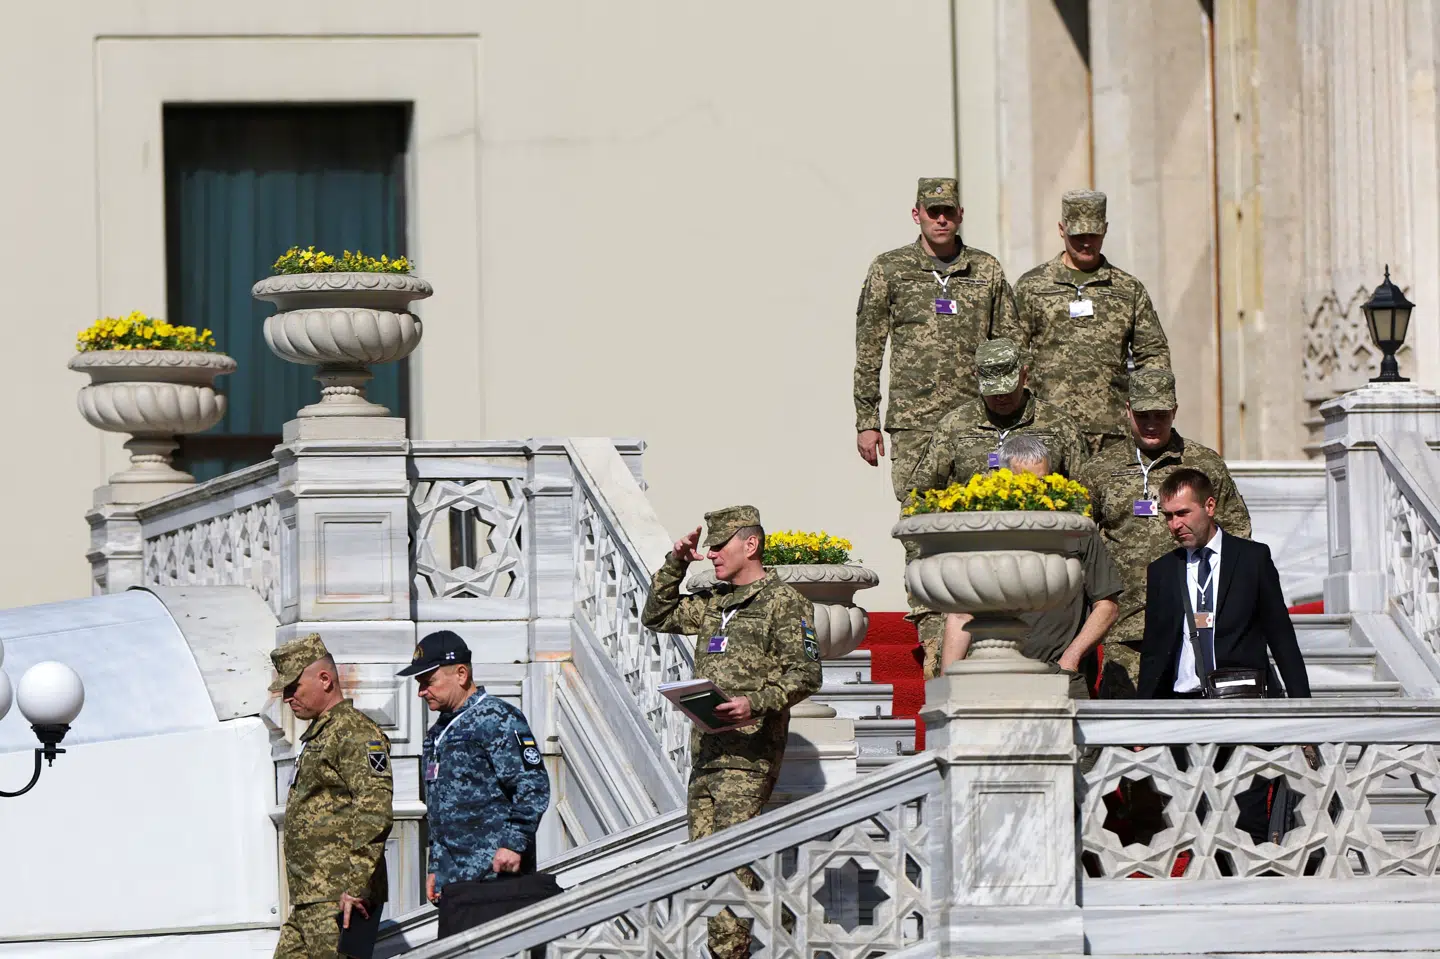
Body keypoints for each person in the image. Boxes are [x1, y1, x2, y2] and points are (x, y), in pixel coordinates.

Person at [640, 505, 821, 959]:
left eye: (720, 546)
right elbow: (656, 616)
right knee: (706, 865)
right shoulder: (714, 602)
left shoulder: (783, 602)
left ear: (750, 544)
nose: (713, 554)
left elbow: (806, 672)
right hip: (707, 751)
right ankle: (787, 930)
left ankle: (732, 954)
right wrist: (676, 562)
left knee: (730, 865)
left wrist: (754, 703)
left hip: (749, 753)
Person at [908, 339, 1088, 677]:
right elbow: (918, 498)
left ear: (1024, 374)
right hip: (961, 582)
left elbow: (1083, 501)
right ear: (976, 376)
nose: (1001, 397)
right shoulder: (955, 426)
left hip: (1037, 586)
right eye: (991, 389)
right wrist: (927, 571)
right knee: (946, 682)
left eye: (1008, 387)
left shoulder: (1059, 426)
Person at [1076, 369, 1251, 698]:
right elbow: (1079, 540)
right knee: (1126, 730)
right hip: (1124, 626)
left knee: (1190, 730)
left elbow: (1238, 536)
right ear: (1128, 410)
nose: (1152, 424)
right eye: (1143, 415)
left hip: (1193, 626)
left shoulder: (1204, 465)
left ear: (1175, 411)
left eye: (1161, 415)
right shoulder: (1099, 470)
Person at [854, 176, 1021, 494]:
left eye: (947, 211)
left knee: (983, 512)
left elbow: (1011, 345)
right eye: (933, 211)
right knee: (918, 517)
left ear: (960, 214)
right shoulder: (890, 270)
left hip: (978, 417)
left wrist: (1017, 414)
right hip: (915, 421)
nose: (941, 219)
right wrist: (867, 421)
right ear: (917, 214)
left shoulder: (985, 269)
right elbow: (868, 350)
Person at [398, 629, 555, 939]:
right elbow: (440, 809)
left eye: (427, 683)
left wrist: (514, 842)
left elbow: (532, 783)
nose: (421, 692)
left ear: (461, 673)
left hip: (496, 879)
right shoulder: (439, 731)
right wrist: (436, 868)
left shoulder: (498, 718)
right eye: (419, 685)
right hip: (457, 884)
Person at [939, 436, 1121, 697]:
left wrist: (1070, 660)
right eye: (1026, 482)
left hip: (1059, 677)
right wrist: (948, 684)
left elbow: (1107, 606)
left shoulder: (1077, 531)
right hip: (993, 679)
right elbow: (960, 615)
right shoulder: (982, 534)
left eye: (1043, 481)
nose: (1037, 490)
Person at [1013, 190, 1172, 454]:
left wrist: (1147, 411)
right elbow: (1015, 351)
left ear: (1105, 230)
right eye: (1078, 236)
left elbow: (1153, 353)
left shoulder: (1127, 289)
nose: (1086, 243)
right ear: (1061, 230)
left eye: (1093, 234)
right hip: (1048, 429)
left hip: (1113, 431)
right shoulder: (1033, 286)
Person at [1138, 469, 1311, 699]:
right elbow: (1154, 650)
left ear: (1209, 507)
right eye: (1168, 516)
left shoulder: (1252, 559)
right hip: (1181, 701)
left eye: (1183, 513)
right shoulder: (1162, 570)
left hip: (1241, 696)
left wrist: (1303, 704)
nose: (1175, 524)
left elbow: (1281, 636)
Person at [271, 634, 393, 959]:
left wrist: (356, 886)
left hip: (340, 900)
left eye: (293, 687)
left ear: (325, 679)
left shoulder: (355, 732)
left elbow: (374, 809)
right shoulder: (321, 734)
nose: (287, 698)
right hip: (311, 899)